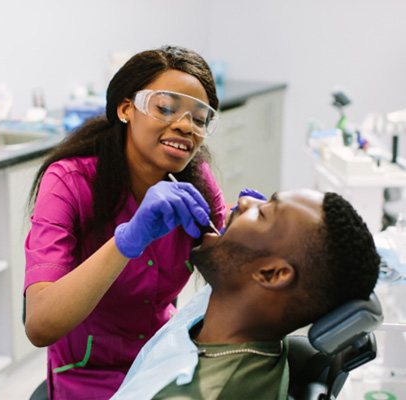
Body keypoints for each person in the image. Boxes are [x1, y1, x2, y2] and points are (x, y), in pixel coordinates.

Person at [23, 45, 226, 399]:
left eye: (198, 118)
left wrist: (243, 236)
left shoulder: (197, 182)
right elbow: (40, 325)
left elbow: (230, 282)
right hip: (87, 376)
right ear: (126, 108)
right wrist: (125, 242)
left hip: (163, 361)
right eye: (165, 108)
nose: (184, 126)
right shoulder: (69, 183)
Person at [111, 189, 381, 400]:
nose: (244, 201)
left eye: (263, 213)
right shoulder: (242, 319)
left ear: (272, 275)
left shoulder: (198, 393)